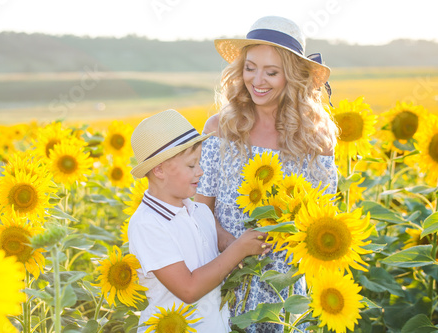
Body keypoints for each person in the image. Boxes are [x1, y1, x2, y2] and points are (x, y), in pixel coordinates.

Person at [194, 16, 339, 332]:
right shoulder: (220, 129)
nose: (257, 80)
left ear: (293, 77)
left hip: (283, 287)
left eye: (271, 72)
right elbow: (200, 207)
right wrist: (234, 247)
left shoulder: (316, 138)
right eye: (250, 67)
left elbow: (318, 219)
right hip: (223, 277)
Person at [127, 109, 271, 333]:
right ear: (159, 169)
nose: (201, 172)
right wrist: (239, 250)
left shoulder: (200, 212)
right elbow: (189, 288)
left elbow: (215, 266)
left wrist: (246, 246)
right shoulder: (148, 224)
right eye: (191, 165)